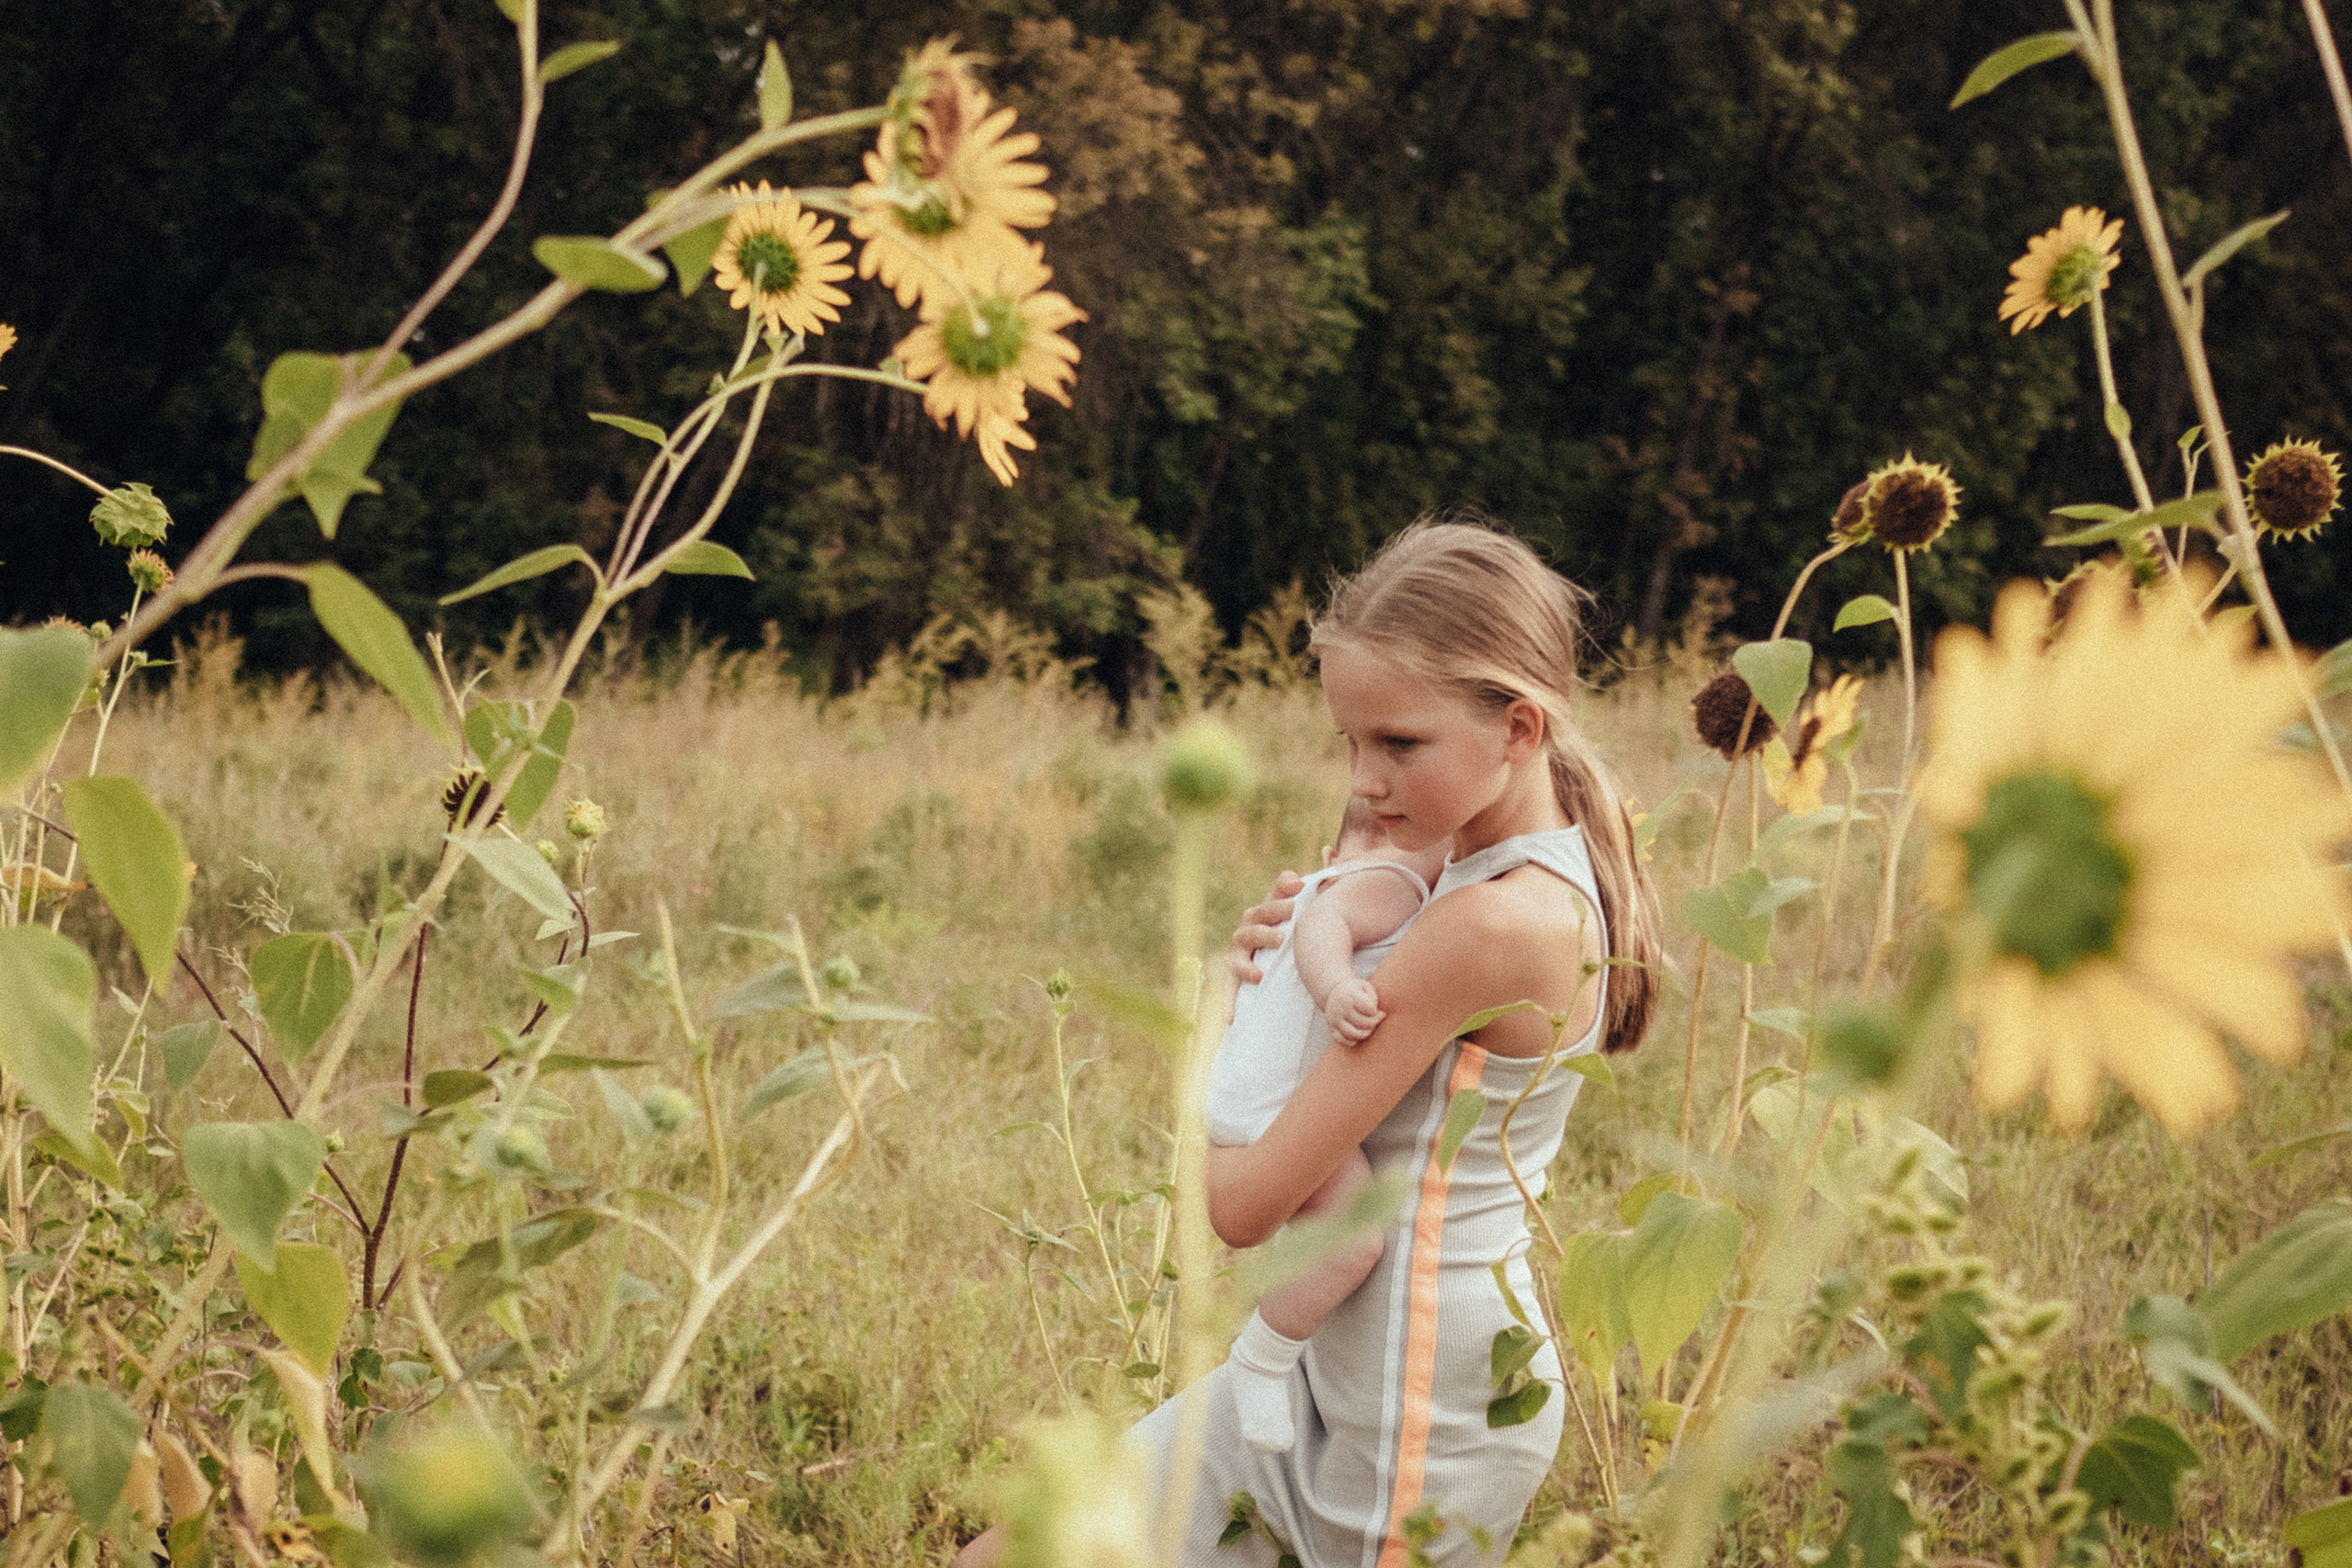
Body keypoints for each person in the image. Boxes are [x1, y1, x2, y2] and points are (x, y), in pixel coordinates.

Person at [956, 519, 1660, 1568]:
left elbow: (1239, 1207)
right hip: (1308, 1368)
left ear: (1518, 728)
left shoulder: (1490, 924)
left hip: (1416, 1404)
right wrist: (1297, 956)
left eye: (1399, 744)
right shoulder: (1453, 874)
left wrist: (1225, 1015)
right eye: (1350, 741)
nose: (1364, 783)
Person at [1206, 796, 1453, 1455]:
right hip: (1277, 1100)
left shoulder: (1338, 875)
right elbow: (1324, 924)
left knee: (1328, 1232)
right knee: (1354, 1240)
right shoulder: (1393, 880)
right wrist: (1337, 986)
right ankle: (1262, 1356)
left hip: (1245, 1088)